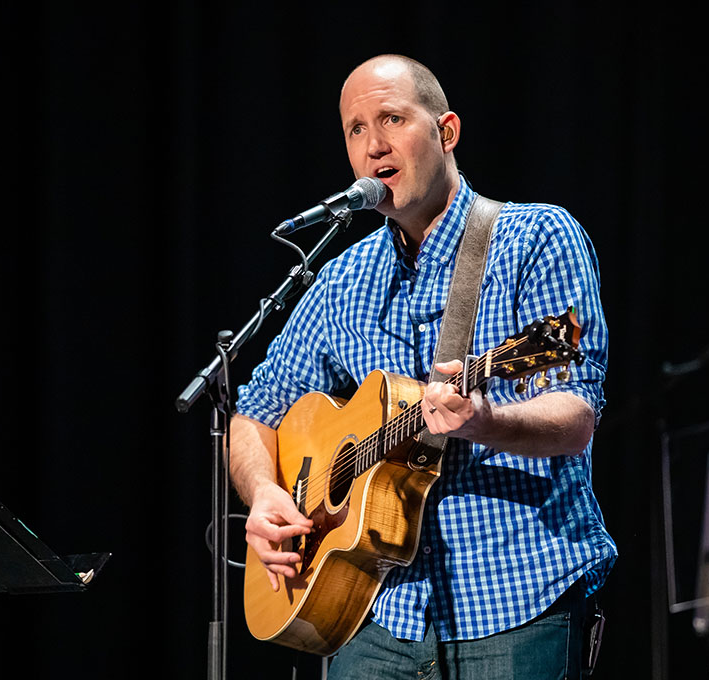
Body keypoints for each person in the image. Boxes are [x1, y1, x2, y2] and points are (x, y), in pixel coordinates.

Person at [229, 54, 616, 679]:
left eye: (391, 118)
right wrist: (266, 492)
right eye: (356, 130)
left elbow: (576, 415)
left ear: (447, 131)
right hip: (373, 614)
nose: (374, 144)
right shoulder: (341, 278)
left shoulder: (535, 238)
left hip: (516, 604)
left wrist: (481, 421)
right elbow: (256, 407)